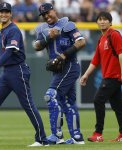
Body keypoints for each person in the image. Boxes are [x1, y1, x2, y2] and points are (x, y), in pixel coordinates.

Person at [0, 2, 48, 147]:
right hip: (7, 73)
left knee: (28, 105)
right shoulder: (3, 29)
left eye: (6, 12)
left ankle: (42, 139)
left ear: (11, 14)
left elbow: (9, 52)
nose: (3, 14)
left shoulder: (13, 30)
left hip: (18, 71)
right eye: (1, 11)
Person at [33, 3, 85, 144]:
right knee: (67, 102)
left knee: (51, 96)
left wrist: (63, 56)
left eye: (48, 12)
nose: (46, 16)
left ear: (54, 11)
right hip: (57, 70)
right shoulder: (42, 29)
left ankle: (56, 135)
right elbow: (36, 46)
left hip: (69, 65)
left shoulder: (67, 25)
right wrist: (49, 37)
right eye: (43, 15)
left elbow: (81, 42)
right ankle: (77, 137)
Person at [80, 11, 122, 142]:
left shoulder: (114, 34)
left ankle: (98, 133)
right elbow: (95, 60)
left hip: (114, 76)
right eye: (99, 19)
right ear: (97, 22)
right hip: (109, 76)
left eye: (105, 19)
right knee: (118, 106)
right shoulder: (101, 39)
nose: (102, 21)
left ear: (110, 22)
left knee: (98, 100)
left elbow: (121, 54)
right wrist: (85, 75)